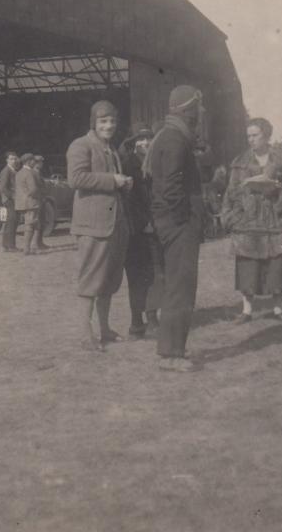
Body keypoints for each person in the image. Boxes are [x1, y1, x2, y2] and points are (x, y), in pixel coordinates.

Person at [145, 85, 206, 372]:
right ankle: (171, 355)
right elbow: (170, 188)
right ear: (187, 109)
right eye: (199, 106)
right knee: (180, 289)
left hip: (171, 223)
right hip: (178, 224)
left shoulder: (170, 136)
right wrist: (185, 221)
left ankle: (172, 350)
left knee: (177, 287)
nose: (202, 112)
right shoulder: (175, 139)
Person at [67, 100, 134, 352]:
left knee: (108, 281)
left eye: (112, 121)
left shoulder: (110, 149)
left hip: (114, 226)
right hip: (93, 226)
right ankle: (86, 335)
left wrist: (124, 183)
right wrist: (112, 180)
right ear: (93, 123)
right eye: (103, 121)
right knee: (90, 281)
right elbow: (76, 178)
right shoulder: (80, 145)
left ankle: (104, 329)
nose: (109, 126)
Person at [221, 117, 282, 324]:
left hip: (275, 221)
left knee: (276, 266)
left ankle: (277, 308)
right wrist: (232, 216)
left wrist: (279, 192)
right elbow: (231, 192)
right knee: (247, 267)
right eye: (248, 136)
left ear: (266, 136)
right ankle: (247, 310)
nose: (251, 139)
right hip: (248, 223)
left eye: (255, 135)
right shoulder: (240, 162)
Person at [119, 121, 163, 339]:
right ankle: (136, 322)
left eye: (148, 138)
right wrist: (142, 222)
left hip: (155, 228)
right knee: (136, 276)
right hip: (135, 230)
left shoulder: (157, 163)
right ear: (134, 143)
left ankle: (153, 318)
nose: (145, 142)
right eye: (140, 139)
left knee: (155, 274)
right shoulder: (127, 165)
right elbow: (128, 199)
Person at [15, 153, 42, 256]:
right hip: (31, 202)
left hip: (22, 202)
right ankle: (27, 249)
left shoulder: (19, 172)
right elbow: (33, 189)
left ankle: (32, 247)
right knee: (30, 225)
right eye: (33, 161)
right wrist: (35, 195)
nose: (34, 162)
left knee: (31, 224)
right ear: (29, 161)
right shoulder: (29, 173)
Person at [0, 151, 20, 252]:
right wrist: (13, 196)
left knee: (11, 222)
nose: (13, 160)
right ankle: (11, 246)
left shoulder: (14, 170)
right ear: (7, 160)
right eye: (11, 159)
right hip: (9, 200)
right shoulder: (6, 171)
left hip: (13, 199)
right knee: (12, 221)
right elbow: (4, 188)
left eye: (15, 158)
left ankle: (6, 245)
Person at [32, 155, 50, 251]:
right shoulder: (34, 173)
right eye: (40, 162)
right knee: (37, 222)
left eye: (41, 162)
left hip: (41, 200)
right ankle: (35, 244)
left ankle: (40, 242)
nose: (41, 164)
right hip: (37, 201)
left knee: (42, 221)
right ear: (35, 163)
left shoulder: (38, 173)